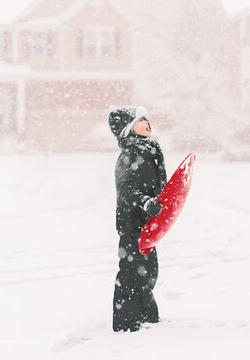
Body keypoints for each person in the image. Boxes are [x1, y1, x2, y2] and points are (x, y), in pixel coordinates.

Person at [108, 105, 167, 332]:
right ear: (128, 128)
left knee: (148, 269)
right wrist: (145, 202)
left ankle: (146, 314)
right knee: (131, 270)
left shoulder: (148, 150)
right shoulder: (130, 154)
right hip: (132, 221)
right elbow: (126, 189)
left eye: (147, 118)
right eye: (141, 120)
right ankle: (126, 321)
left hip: (147, 221)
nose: (148, 122)